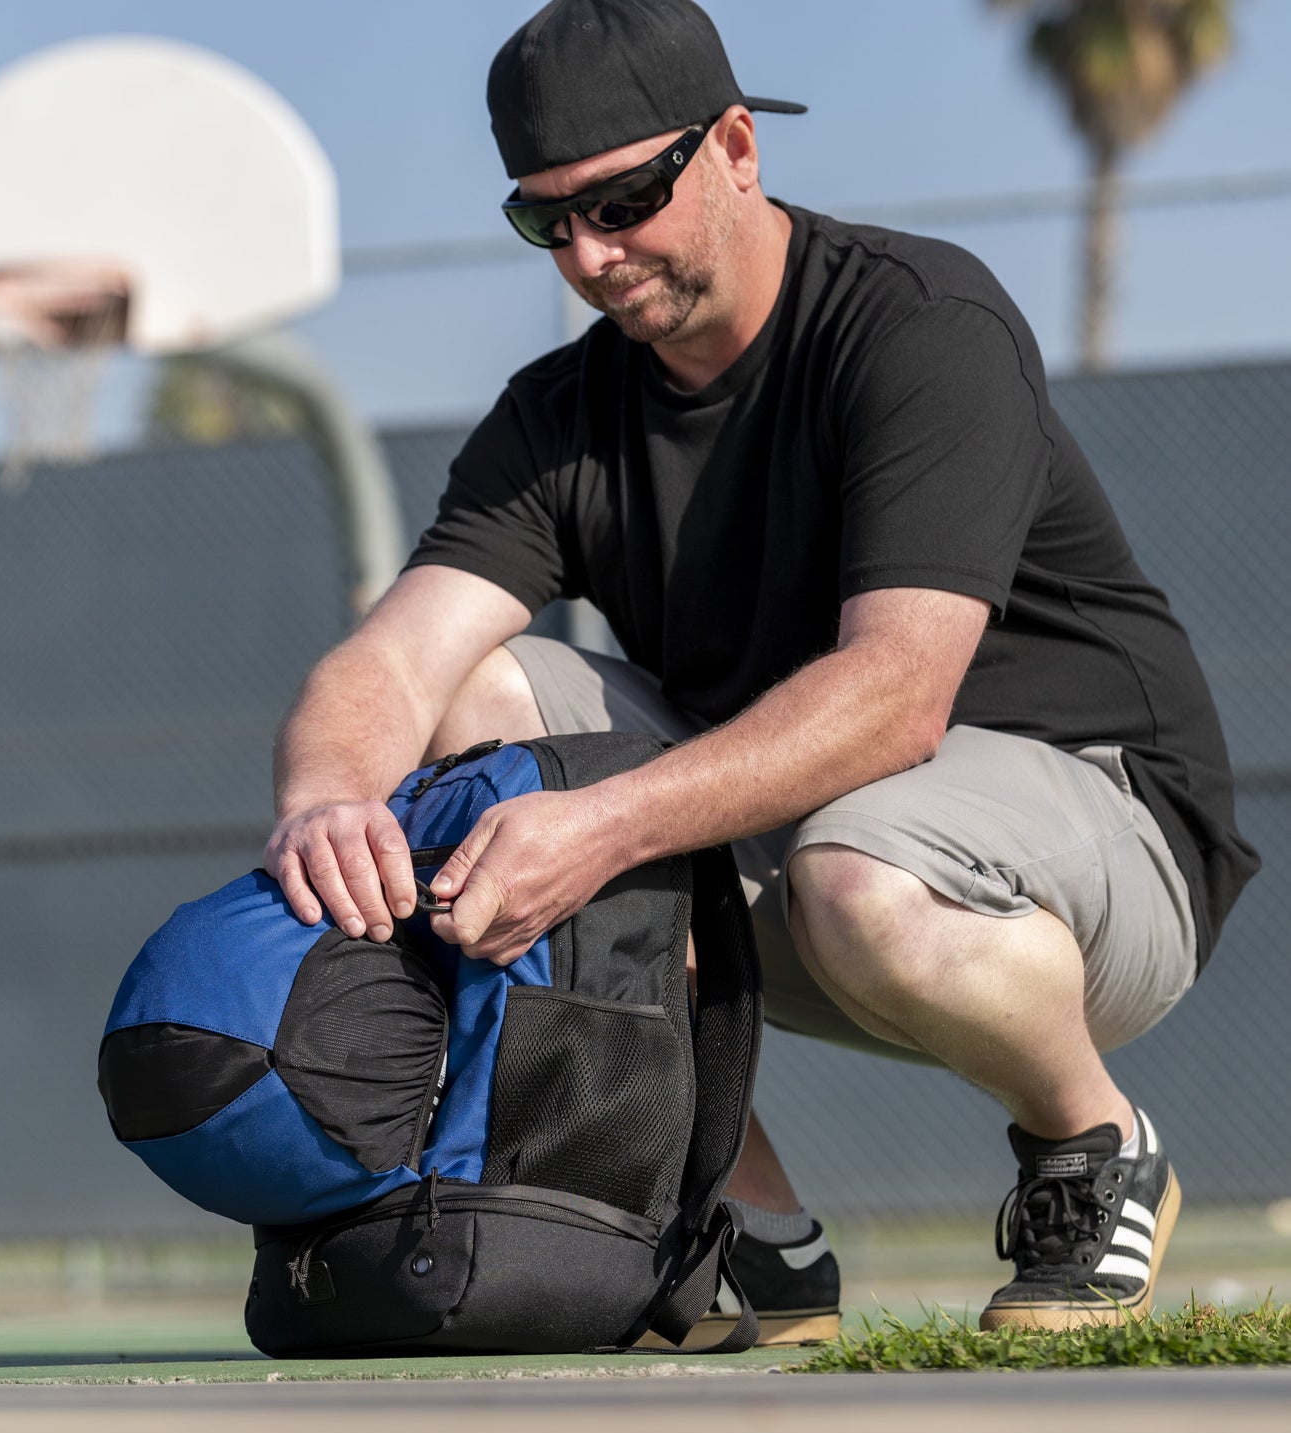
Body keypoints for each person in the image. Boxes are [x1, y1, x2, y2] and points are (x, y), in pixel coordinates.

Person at [265, 0, 1258, 1341]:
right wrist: (327, 800)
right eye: (544, 220)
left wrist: (594, 828)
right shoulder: (559, 418)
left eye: (622, 200)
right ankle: (750, 1230)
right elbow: (391, 655)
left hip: (1097, 842)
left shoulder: (918, 324)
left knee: (854, 871)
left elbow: (896, 694)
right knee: (465, 716)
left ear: (735, 145)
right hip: (807, 839)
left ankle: (1090, 1140)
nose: (590, 254)